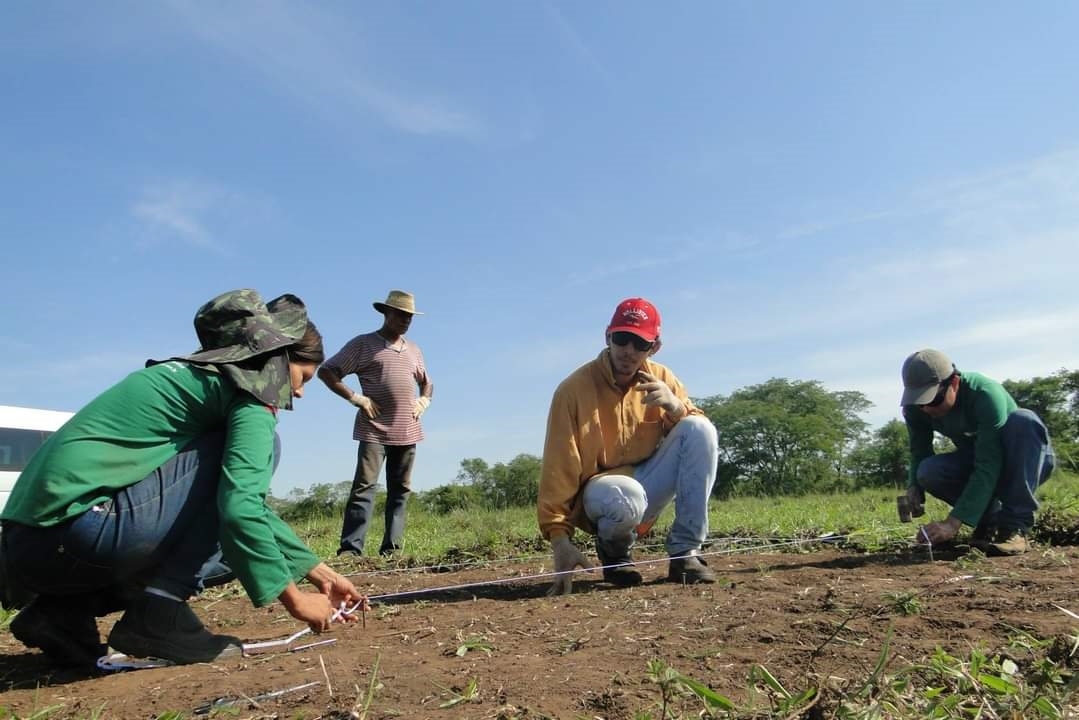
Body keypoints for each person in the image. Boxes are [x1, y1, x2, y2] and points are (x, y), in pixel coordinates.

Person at [0, 289, 366, 667]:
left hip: (28, 549)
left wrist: (318, 572)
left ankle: (63, 614)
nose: (301, 392)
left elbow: (235, 505)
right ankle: (159, 613)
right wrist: (298, 601)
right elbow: (239, 508)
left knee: (234, 540)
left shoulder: (195, 377)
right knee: (260, 459)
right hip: (81, 533)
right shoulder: (252, 390)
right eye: (301, 376)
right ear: (276, 358)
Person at [538, 297, 719, 595]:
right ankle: (614, 552)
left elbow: (694, 436)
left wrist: (674, 407)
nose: (628, 351)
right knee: (626, 494)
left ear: (654, 347)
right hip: (600, 495)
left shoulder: (662, 378)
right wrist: (560, 538)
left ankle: (685, 552)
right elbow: (559, 466)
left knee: (700, 428)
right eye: (622, 339)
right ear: (608, 336)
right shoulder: (573, 390)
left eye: (640, 343)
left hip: (647, 482)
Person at [900, 348, 1055, 555]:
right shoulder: (915, 409)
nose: (926, 409)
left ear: (953, 383)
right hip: (977, 461)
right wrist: (914, 488)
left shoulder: (984, 394)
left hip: (1024, 462)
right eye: (919, 402)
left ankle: (1014, 527)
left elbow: (988, 463)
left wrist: (953, 522)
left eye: (933, 400)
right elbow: (920, 451)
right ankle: (988, 521)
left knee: (1024, 420)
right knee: (928, 471)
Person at [318, 290, 433, 557]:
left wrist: (423, 401)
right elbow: (328, 371)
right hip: (374, 429)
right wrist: (356, 398)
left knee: (401, 489)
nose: (406, 320)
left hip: (408, 428)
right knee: (364, 486)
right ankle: (350, 549)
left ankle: (392, 548)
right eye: (401, 315)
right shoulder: (363, 344)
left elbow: (427, 382)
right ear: (386, 313)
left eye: (410, 316)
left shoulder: (414, 349)